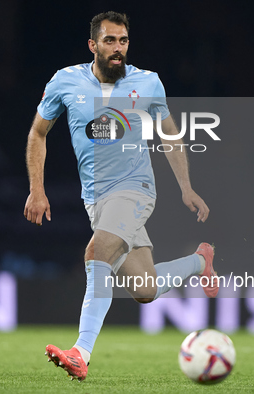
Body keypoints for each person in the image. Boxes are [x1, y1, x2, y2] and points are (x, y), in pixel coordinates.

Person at [24, 11, 219, 382]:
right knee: (144, 289)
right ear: (93, 45)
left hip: (135, 189)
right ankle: (199, 262)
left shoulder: (148, 84)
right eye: (110, 41)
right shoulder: (65, 81)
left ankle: (81, 352)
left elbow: (170, 135)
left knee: (97, 252)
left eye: (124, 41)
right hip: (96, 199)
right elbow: (38, 133)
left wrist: (186, 187)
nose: (118, 49)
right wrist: (37, 189)